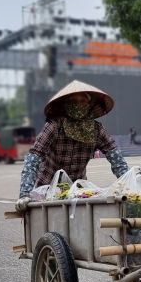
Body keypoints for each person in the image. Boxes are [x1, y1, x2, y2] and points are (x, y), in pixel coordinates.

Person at [16, 80, 130, 211]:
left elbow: (117, 159)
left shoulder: (96, 129)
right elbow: (34, 157)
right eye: (73, 101)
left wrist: (129, 186)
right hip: (47, 191)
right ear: (66, 104)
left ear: (89, 104)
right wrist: (24, 193)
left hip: (78, 191)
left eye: (83, 101)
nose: (78, 105)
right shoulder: (54, 126)